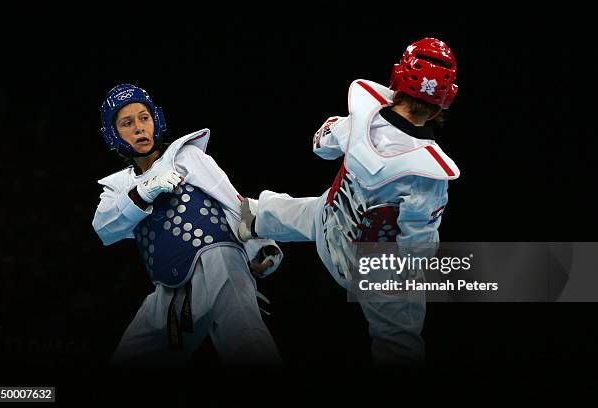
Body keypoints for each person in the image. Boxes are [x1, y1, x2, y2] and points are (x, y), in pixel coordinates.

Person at [238, 38, 460, 365]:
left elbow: (320, 146)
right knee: (401, 337)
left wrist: (335, 130)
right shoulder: (428, 174)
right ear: (444, 100)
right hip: (365, 270)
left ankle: (248, 220)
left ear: (398, 77)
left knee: (280, 210)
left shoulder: (361, 117)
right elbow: (419, 246)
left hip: (327, 227)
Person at [92, 84, 282, 367]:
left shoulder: (185, 156)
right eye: (127, 123)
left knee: (248, 344)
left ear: (156, 120)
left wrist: (261, 247)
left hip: (220, 262)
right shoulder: (118, 187)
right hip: (170, 288)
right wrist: (146, 190)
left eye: (144, 118)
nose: (138, 128)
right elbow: (104, 229)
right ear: (113, 134)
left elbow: (233, 201)